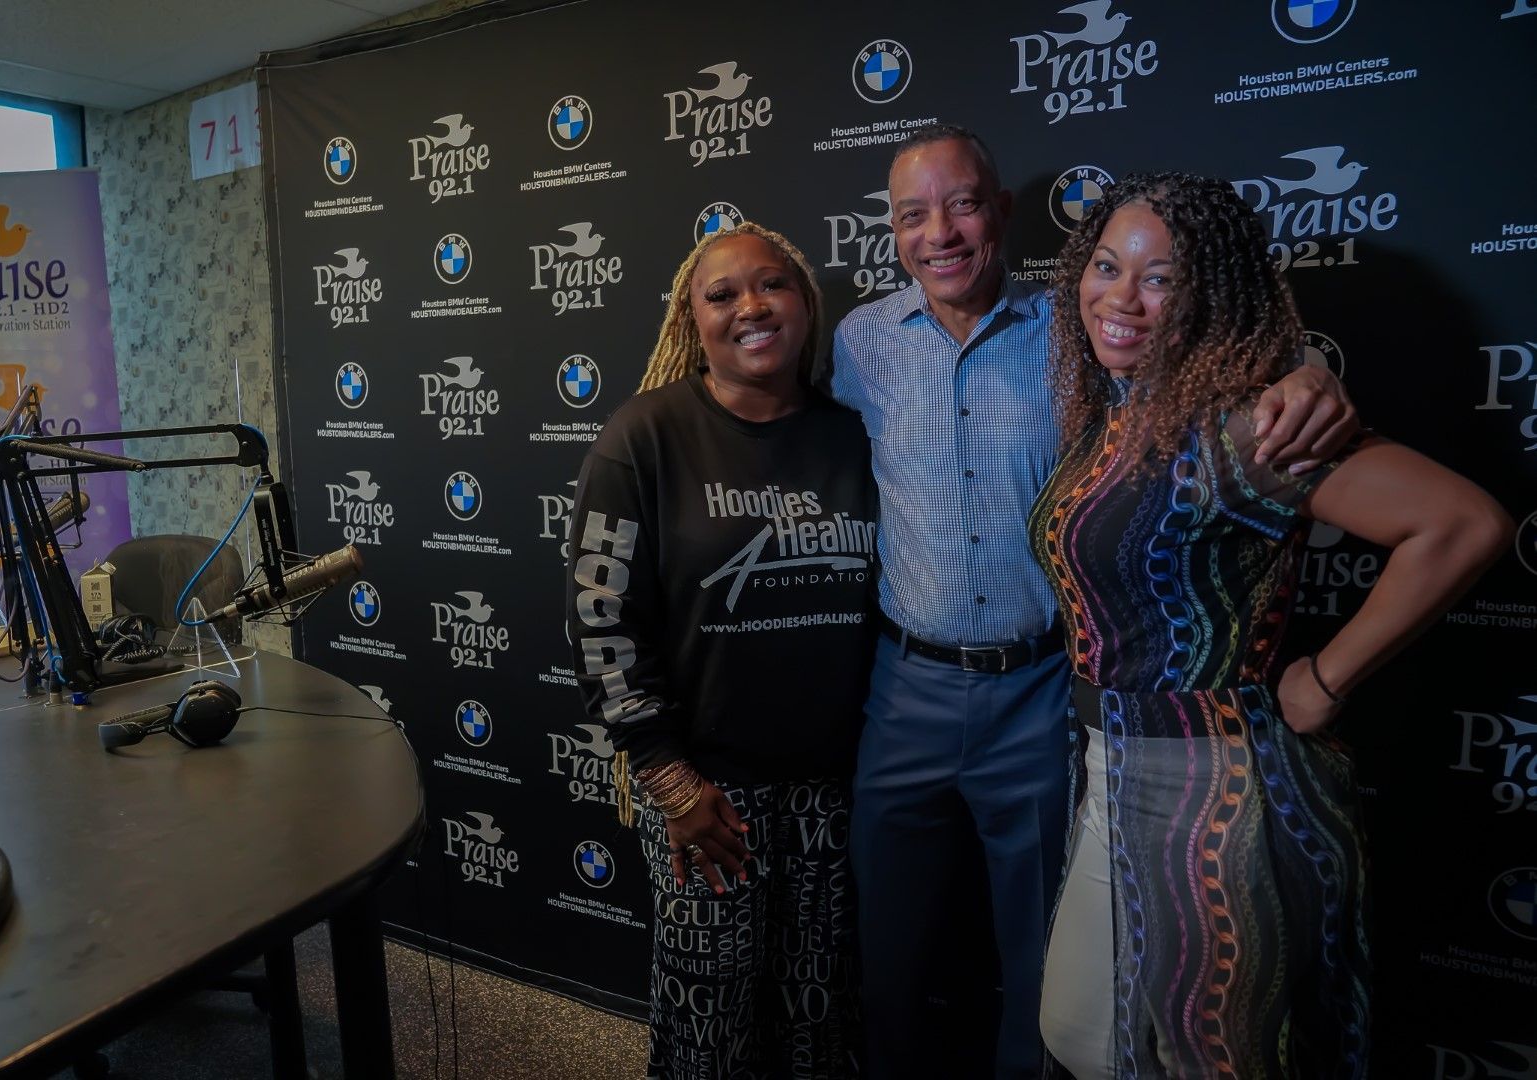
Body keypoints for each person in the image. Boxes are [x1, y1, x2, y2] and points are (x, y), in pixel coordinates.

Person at [829, 125, 1359, 1079]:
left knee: (1050, 976)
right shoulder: (858, 343)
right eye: (913, 213)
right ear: (892, 229)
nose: (939, 232)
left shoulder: (1074, 334)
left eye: (961, 205)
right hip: (903, 690)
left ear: (1000, 211)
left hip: (1042, 695)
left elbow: (1210, 353)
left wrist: (1307, 375)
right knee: (891, 956)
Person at [1030, 171, 1511, 1078]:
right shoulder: (1114, 411)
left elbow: (1461, 525)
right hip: (1111, 770)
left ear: (1209, 295)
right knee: (1086, 1037)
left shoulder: (1241, 427)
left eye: (1159, 277)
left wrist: (1323, 682)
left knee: (1203, 1048)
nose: (1120, 298)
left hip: (1212, 796)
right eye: (1104, 266)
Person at [566, 223, 877, 1079]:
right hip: (709, 794)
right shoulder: (644, 435)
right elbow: (600, 620)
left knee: (820, 1021)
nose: (751, 307)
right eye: (721, 294)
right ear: (688, 319)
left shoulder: (856, 432)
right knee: (709, 1026)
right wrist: (670, 782)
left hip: (839, 790)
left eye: (772, 285)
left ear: (806, 303)